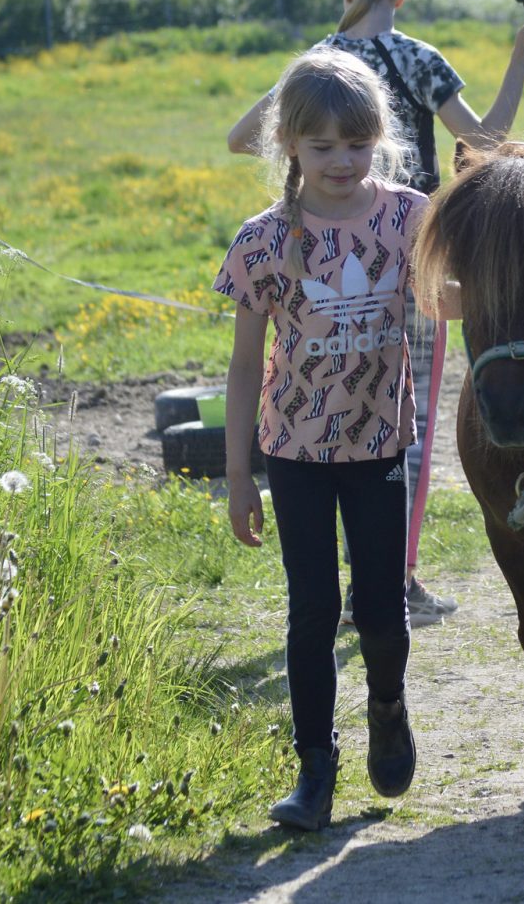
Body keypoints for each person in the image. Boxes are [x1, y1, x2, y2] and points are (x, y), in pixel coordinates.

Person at [229, 0, 524, 626]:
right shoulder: (416, 59)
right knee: (402, 418)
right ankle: (393, 579)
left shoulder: (317, 65)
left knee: (326, 402)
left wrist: (305, 142)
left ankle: (351, 579)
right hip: (413, 251)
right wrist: (520, 63)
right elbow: (484, 141)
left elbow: (241, 136)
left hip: (313, 249)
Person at [216, 48, 430, 831]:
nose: (343, 161)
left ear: (379, 140)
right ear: (289, 147)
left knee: (379, 609)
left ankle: (387, 706)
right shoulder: (265, 241)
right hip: (295, 455)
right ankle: (314, 768)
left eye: (358, 144)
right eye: (323, 146)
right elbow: (243, 370)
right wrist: (240, 476)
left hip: (378, 447)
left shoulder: (409, 216)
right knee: (312, 611)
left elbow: (452, 303)